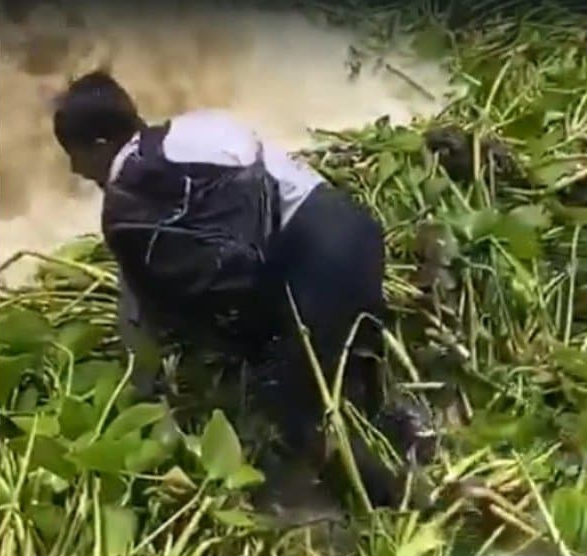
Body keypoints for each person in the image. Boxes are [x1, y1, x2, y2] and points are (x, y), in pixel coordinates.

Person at [52, 70, 433, 508]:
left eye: (74, 154)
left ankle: (394, 502)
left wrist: (162, 378)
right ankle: (408, 429)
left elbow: (203, 286)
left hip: (318, 261)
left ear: (101, 144)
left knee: (289, 409)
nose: (75, 170)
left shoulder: (129, 195)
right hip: (354, 232)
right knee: (351, 359)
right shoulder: (197, 128)